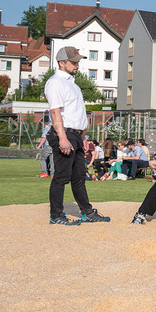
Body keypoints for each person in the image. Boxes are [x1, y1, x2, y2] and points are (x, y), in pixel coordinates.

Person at [43, 46, 109, 226]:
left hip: (77, 136)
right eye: (73, 62)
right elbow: (55, 112)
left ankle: (87, 213)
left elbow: (79, 114)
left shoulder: (73, 84)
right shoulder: (56, 82)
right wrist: (62, 138)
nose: (77, 65)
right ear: (61, 63)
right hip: (64, 134)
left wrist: (84, 138)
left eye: (78, 62)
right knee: (62, 177)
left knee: (79, 177)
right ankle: (56, 215)